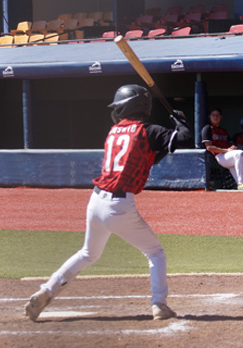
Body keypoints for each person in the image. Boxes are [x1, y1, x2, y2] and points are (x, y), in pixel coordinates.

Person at [24, 84, 192, 321]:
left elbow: (151, 156)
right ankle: (159, 305)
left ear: (127, 106)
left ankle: (47, 290)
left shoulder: (114, 131)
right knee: (155, 252)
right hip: (120, 207)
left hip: (95, 201)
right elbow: (186, 138)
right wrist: (180, 122)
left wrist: (170, 139)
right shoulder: (149, 130)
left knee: (88, 253)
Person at [201, 108, 243, 190]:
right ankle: (242, 182)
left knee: (236, 160)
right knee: (239, 153)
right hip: (218, 156)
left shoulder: (224, 131)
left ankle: (241, 186)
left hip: (226, 155)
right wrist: (226, 150)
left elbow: (230, 144)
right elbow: (209, 147)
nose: (215, 117)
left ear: (221, 117)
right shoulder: (207, 128)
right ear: (209, 116)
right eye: (213, 115)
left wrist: (232, 147)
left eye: (217, 115)